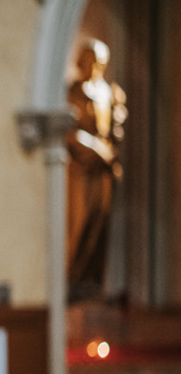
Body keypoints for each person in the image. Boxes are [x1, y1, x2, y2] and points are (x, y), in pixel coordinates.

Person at [65, 38, 127, 300]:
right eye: (91, 61)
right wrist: (94, 149)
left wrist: (109, 152)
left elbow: (115, 132)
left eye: (100, 62)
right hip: (83, 169)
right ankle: (75, 280)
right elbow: (69, 133)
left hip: (103, 170)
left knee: (100, 225)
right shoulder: (74, 92)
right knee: (82, 223)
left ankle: (93, 283)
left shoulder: (110, 93)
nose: (95, 67)